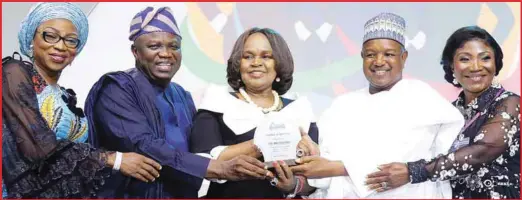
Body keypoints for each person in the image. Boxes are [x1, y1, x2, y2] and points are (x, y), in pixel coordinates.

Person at [84, 7, 273, 198]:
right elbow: (144, 146)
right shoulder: (117, 88)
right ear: (136, 52)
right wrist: (219, 168)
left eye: (173, 46)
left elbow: (200, 149)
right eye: (154, 46)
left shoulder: (182, 95)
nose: (166, 53)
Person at [289, 12, 465, 198]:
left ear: (403, 58)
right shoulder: (343, 105)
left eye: (389, 54)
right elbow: (324, 160)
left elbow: (397, 163)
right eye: (371, 55)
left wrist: (335, 168)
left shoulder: (420, 97)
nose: (379, 62)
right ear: (362, 57)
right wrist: (313, 153)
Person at [2, 3, 162, 198]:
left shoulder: (66, 97)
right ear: (31, 38)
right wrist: (115, 159)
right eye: (50, 35)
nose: (60, 46)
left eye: (71, 40)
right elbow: (37, 145)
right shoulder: (13, 73)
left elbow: (78, 161)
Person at [365, 26, 520, 199]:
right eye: (465, 59)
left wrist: (412, 171)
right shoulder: (447, 111)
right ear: (451, 67)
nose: (476, 67)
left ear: (496, 63)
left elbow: (481, 152)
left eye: (485, 58)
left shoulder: (510, 103)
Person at [189, 27, 319, 198]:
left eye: (266, 56)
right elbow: (201, 165)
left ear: (279, 64)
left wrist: (293, 185)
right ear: (238, 64)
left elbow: (316, 181)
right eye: (248, 56)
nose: (256, 62)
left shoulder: (300, 110)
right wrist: (261, 144)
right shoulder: (216, 104)